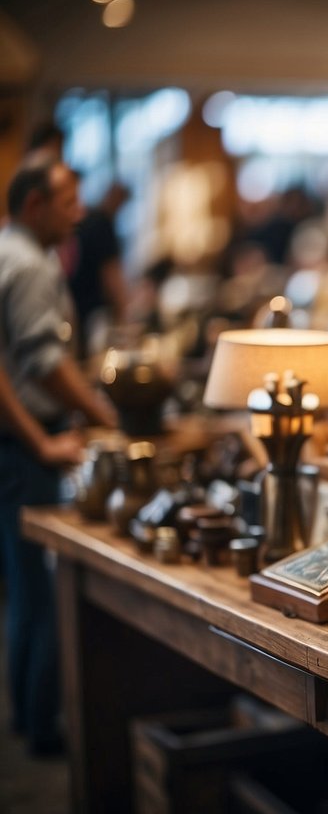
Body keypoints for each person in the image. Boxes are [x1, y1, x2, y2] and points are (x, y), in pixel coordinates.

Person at [1, 160, 117, 757]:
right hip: (24, 448)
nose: (79, 212)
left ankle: (28, 717)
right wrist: (102, 415)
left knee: (25, 590)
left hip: (16, 444)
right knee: (44, 594)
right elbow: (42, 362)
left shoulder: (11, 251)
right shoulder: (28, 265)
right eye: (68, 201)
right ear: (34, 206)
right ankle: (43, 730)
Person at [68, 182, 130, 354]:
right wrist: (124, 319)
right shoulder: (102, 223)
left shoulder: (87, 221)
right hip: (96, 315)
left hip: (75, 310)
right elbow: (111, 276)